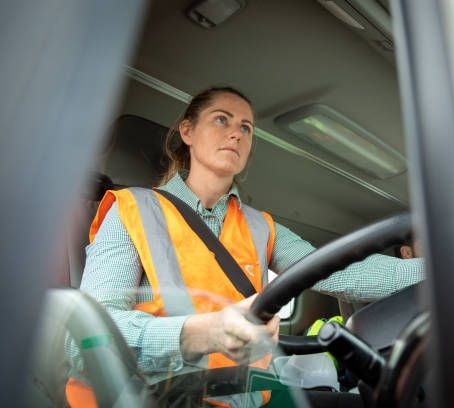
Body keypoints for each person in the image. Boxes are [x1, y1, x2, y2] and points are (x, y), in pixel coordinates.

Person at [65, 86, 425, 407]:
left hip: (245, 395)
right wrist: (206, 332)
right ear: (187, 131)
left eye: (247, 128)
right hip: (152, 397)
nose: (236, 132)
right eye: (221, 120)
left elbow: (344, 272)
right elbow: (85, 342)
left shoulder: (259, 225)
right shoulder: (133, 209)